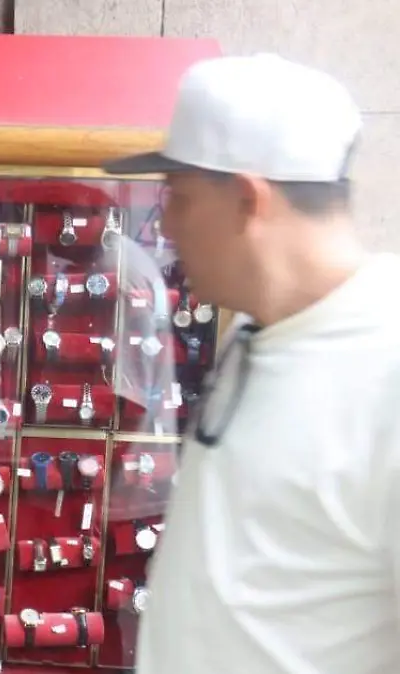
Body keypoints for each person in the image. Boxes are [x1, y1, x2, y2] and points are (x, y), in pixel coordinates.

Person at [104, 54, 400, 673]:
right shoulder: (258, 329)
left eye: (180, 197)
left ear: (247, 200)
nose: (166, 224)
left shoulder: (383, 371)